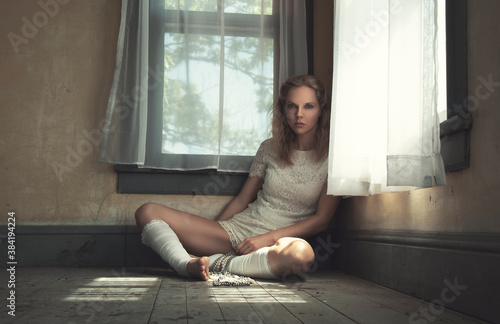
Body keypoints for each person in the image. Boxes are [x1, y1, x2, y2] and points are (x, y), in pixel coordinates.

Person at [135, 75, 341, 281]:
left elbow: (321, 220)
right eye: (292, 106)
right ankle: (187, 263)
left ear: (321, 110)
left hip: (278, 244)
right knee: (147, 211)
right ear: (283, 109)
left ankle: (215, 263)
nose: (299, 114)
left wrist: (264, 239)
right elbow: (243, 200)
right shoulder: (269, 147)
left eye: (308, 106)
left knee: (301, 256)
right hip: (237, 231)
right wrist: (211, 232)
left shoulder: (334, 158)